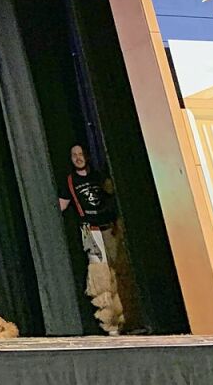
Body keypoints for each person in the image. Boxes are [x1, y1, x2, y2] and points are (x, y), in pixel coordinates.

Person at [59, 144, 139, 335]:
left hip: (108, 227)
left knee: (115, 271)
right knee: (100, 274)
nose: (78, 158)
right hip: (90, 229)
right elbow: (61, 205)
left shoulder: (98, 177)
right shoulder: (70, 181)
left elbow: (111, 193)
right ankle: (109, 323)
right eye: (74, 155)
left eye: (80, 154)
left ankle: (124, 318)